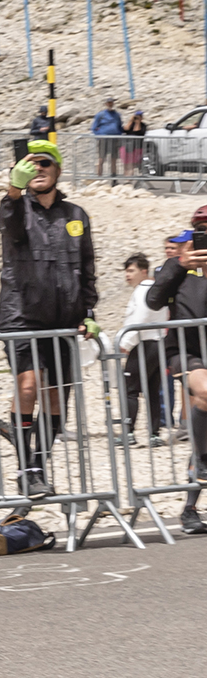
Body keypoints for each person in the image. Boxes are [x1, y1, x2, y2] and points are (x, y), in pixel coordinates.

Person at [0, 137, 98, 498]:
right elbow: (7, 225)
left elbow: (87, 266)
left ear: (58, 170)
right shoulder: (16, 209)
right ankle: (26, 466)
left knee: (55, 398)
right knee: (28, 387)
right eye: (31, 164)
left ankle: (38, 463)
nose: (38, 169)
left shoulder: (76, 215)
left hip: (63, 319)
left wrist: (89, 312)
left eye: (45, 163)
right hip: (21, 316)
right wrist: (13, 190)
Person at [142, 212, 207, 531]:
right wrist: (180, 266)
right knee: (206, 392)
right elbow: (153, 301)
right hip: (186, 352)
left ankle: (189, 509)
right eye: (201, 231)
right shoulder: (179, 269)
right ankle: (204, 464)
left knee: (203, 409)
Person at [113, 254, 167, 445]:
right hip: (158, 344)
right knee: (153, 389)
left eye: (131, 270)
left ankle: (128, 432)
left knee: (130, 389)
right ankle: (154, 433)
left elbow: (139, 320)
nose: (127, 275)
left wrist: (125, 344)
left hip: (143, 344)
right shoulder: (156, 289)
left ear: (143, 271)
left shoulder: (142, 290)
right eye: (126, 271)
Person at [92, 99, 125, 180]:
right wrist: (100, 136)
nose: (110, 104)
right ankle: (99, 177)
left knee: (114, 159)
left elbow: (120, 126)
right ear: (106, 104)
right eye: (109, 103)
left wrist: (119, 135)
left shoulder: (117, 115)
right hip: (104, 139)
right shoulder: (101, 115)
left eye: (111, 103)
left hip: (114, 139)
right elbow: (94, 128)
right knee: (101, 158)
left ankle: (114, 177)